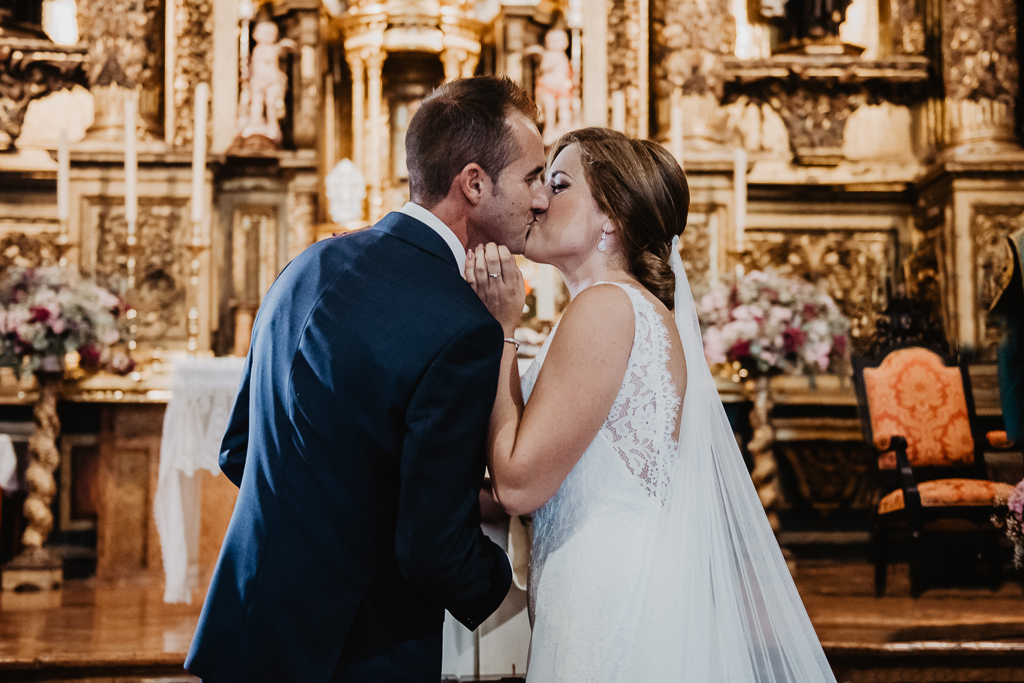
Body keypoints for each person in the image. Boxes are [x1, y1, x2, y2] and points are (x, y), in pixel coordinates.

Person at [186, 76, 549, 683]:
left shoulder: (308, 264)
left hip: (249, 624)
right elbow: (430, 546)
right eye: (533, 177)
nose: (541, 199)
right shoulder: (463, 327)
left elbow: (241, 449)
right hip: (357, 649)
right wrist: (517, 602)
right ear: (475, 183)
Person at [467, 127, 837, 682]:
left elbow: (519, 484)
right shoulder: (628, 309)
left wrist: (500, 330)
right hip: (618, 582)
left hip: (606, 599)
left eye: (559, 183)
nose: (539, 198)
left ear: (611, 218)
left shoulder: (606, 308)